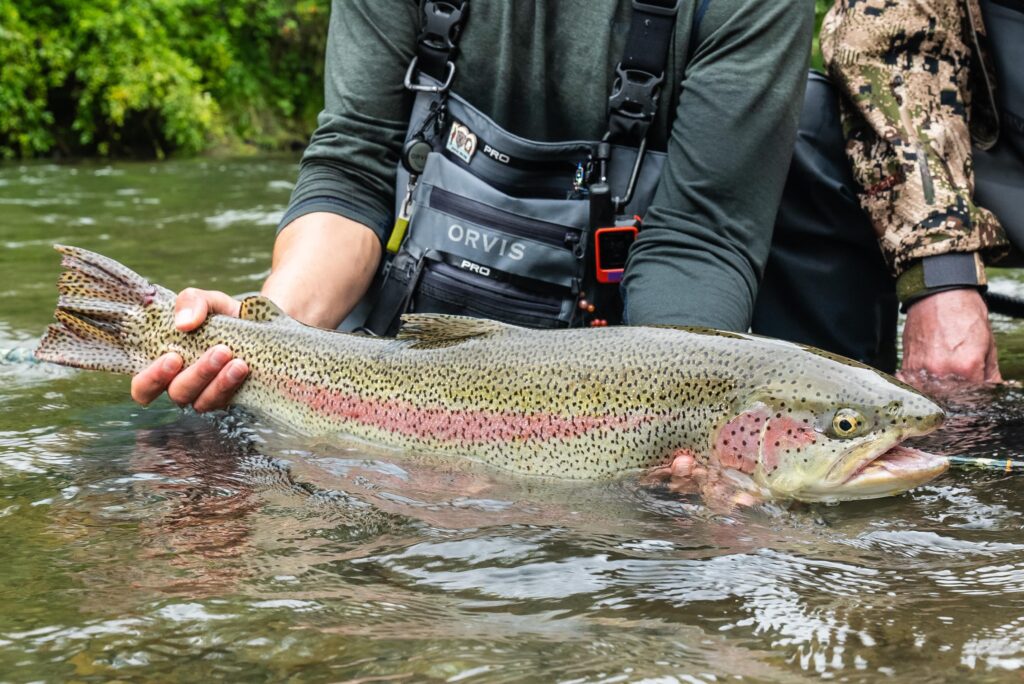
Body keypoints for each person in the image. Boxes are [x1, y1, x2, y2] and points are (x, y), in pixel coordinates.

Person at [132, 0, 818, 411]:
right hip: (395, 373)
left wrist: (679, 418)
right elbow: (355, 168)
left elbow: (698, 237)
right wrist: (270, 329)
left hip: (604, 381)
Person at [811, 0, 1023, 386]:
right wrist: (941, 275)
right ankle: (846, 398)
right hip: (980, 173)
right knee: (806, 123)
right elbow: (879, 43)